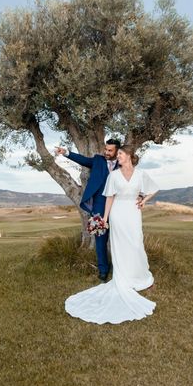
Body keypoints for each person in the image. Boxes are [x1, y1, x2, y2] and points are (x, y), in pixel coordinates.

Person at [65, 144, 159, 325]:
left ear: (129, 156)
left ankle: (139, 277)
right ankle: (120, 277)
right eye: (119, 154)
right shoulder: (114, 175)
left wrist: (144, 200)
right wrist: (105, 219)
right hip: (117, 214)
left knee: (136, 243)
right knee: (120, 246)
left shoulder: (140, 174)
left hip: (133, 213)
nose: (118, 156)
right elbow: (109, 197)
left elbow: (153, 188)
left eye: (121, 154)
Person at [55, 139, 122, 281]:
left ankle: (121, 269)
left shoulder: (123, 163)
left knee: (120, 239)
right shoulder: (98, 160)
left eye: (110, 150)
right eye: (106, 149)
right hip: (98, 206)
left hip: (119, 207)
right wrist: (66, 153)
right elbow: (83, 160)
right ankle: (103, 270)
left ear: (117, 151)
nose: (106, 152)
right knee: (100, 239)